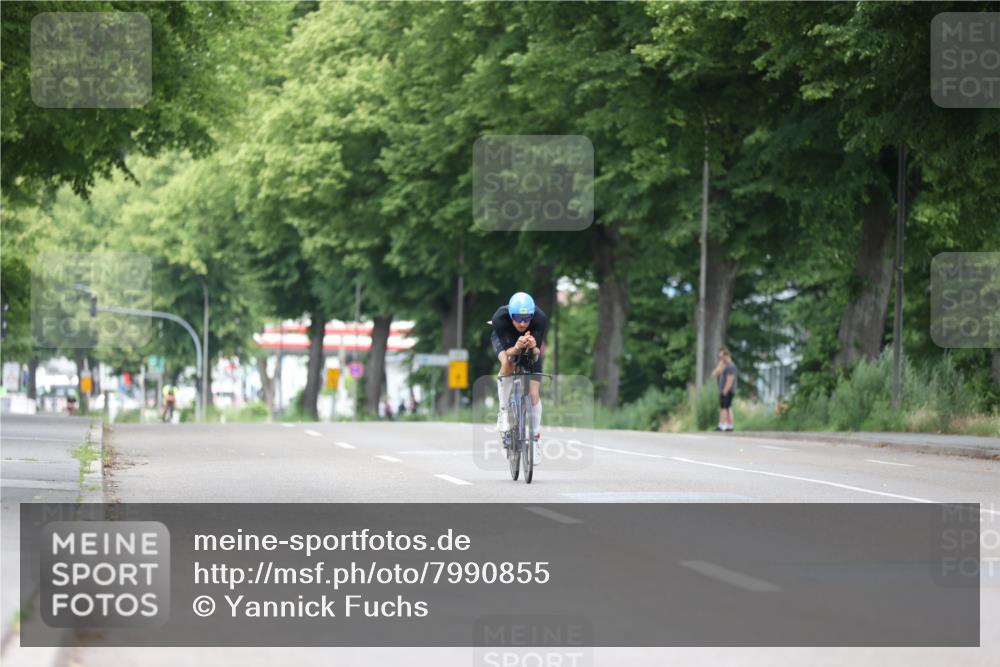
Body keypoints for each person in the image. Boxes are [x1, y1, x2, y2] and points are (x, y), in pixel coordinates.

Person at [491, 292, 548, 462]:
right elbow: (510, 352)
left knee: (534, 394)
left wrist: (533, 347)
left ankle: (535, 439)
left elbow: (536, 352)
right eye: (518, 318)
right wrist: (516, 347)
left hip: (529, 347)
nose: (522, 323)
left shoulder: (540, 318)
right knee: (508, 363)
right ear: (511, 315)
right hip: (507, 343)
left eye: (526, 318)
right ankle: (503, 410)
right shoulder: (500, 318)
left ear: (532, 315)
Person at [712, 347, 737, 432]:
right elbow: (715, 374)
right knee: (728, 408)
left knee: (724, 408)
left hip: (727, 391)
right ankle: (729, 426)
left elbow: (730, 379)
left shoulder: (730, 366)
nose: (721, 358)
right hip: (725, 390)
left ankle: (722, 425)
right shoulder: (724, 365)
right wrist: (720, 365)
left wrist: (725, 391)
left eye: (722, 357)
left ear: (726, 355)